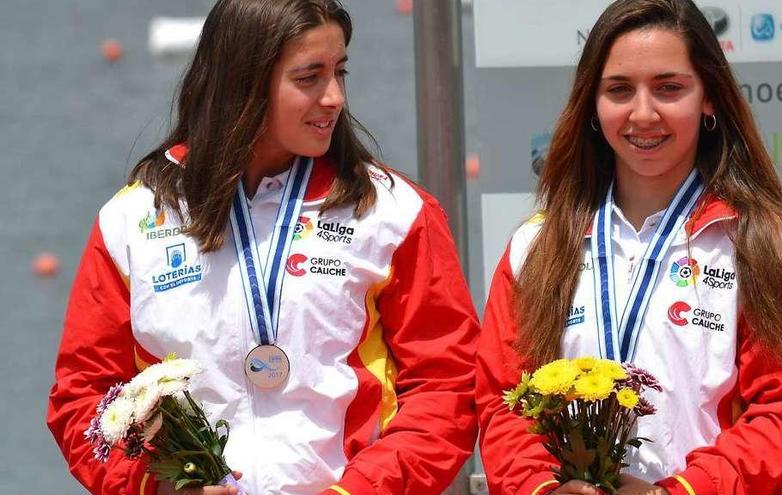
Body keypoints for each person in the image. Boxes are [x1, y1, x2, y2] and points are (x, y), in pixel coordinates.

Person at [47, 1, 479, 494]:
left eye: (340, 72)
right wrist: (158, 488)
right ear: (242, 81)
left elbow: (448, 387)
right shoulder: (131, 220)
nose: (335, 96)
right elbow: (83, 398)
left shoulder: (393, 213)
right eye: (309, 77)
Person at [476, 1, 782, 494]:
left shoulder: (766, 245)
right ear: (592, 103)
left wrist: (674, 492)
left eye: (669, 87)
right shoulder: (538, 246)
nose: (643, 113)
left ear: (709, 98)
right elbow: (505, 404)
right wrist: (540, 488)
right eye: (618, 90)